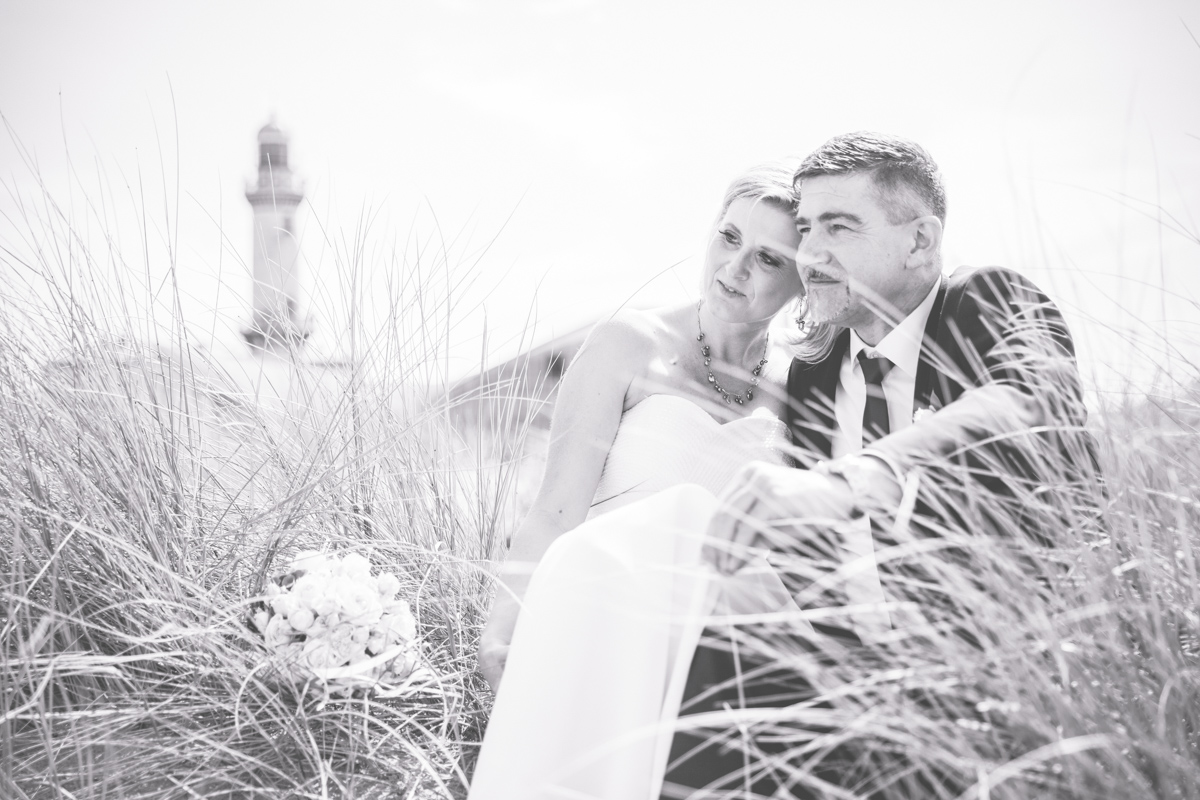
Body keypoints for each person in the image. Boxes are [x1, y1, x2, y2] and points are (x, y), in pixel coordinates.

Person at [660, 132, 1103, 797]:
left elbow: (1030, 396)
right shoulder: (814, 378)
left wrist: (863, 476)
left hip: (1006, 680)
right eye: (806, 229)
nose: (812, 253)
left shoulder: (983, 302)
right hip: (853, 685)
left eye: (839, 227)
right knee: (705, 677)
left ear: (920, 241)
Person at [469, 161, 829, 799]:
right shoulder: (627, 345)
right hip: (604, 628)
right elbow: (554, 509)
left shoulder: (797, 394)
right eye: (728, 238)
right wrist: (504, 622)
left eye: (769, 259)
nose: (735, 268)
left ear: (804, 281)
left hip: (726, 666)